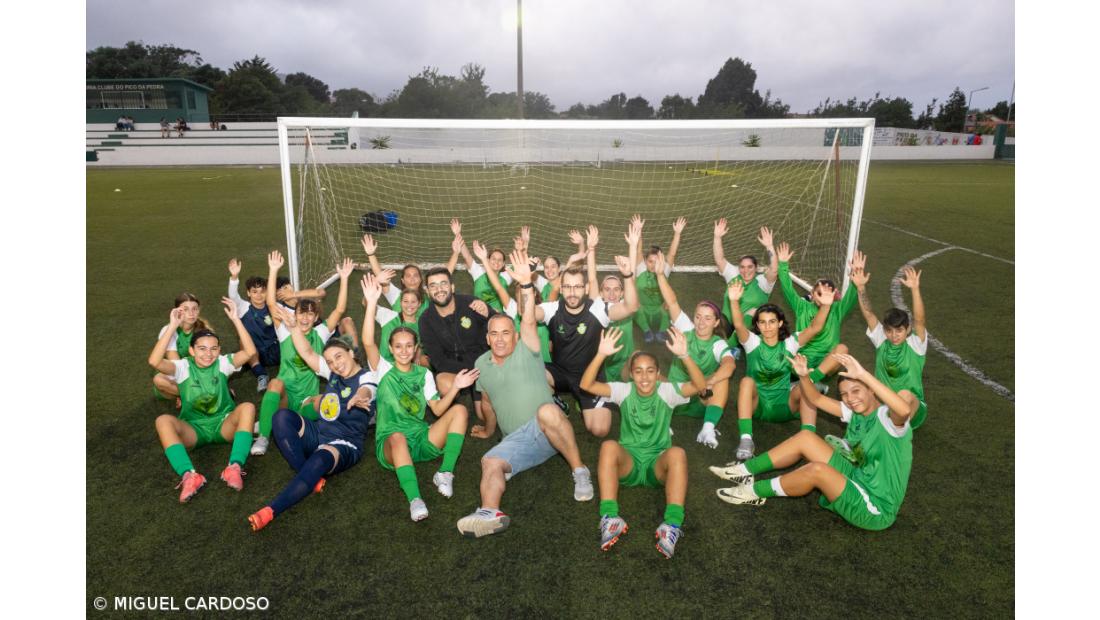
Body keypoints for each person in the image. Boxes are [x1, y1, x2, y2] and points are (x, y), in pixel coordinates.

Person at [456, 250, 594, 537]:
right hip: (516, 440)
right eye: (494, 334)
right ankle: (489, 514)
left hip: (546, 429)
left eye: (506, 333)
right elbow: (489, 403)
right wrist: (486, 428)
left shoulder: (527, 348)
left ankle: (580, 471)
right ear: (487, 337)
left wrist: (527, 284)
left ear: (515, 336)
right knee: (490, 462)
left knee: (547, 411)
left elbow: (528, 320)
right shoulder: (481, 364)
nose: (500, 339)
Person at [711, 353, 915, 532]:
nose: (850, 399)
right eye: (844, 394)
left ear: (871, 390)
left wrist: (863, 375)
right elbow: (816, 399)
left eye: (856, 391)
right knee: (806, 438)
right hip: (858, 477)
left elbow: (904, 410)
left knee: (817, 470)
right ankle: (744, 470)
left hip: (875, 508)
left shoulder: (888, 420)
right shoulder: (856, 412)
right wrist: (803, 376)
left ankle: (753, 491)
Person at [580, 326, 706, 558]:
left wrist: (684, 355)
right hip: (628, 463)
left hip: (658, 464)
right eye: (638, 371)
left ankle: (671, 525)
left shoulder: (667, 392)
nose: (644, 377)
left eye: (650, 371)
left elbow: (700, 386)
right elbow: (586, 385)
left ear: (658, 373)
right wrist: (600, 354)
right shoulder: (623, 390)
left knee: (677, 453)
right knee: (608, 446)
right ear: (631, 373)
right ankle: (610, 518)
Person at [248, 308, 378, 531]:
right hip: (319, 432)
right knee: (281, 417)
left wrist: (361, 395)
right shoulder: (333, 373)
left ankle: (271, 510)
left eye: (339, 357)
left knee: (319, 460)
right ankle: (309, 476)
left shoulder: (367, 376)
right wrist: (294, 328)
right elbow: (307, 353)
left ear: (350, 353)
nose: (336, 364)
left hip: (344, 444)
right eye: (330, 361)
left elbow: (368, 390)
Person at [363, 275, 474, 521]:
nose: (404, 351)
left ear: (415, 349)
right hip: (392, 444)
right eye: (398, 346)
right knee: (398, 436)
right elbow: (367, 342)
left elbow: (436, 409)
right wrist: (372, 303)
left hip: (421, 438)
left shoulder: (424, 374)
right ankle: (415, 499)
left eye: (408, 346)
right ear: (391, 349)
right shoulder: (383, 370)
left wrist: (455, 387)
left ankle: (445, 473)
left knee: (460, 411)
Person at [532, 222, 640, 437]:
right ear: (561, 289)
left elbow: (630, 306)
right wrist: (525, 283)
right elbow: (528, 315)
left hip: (591, 375)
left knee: (599, 430)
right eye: (568, 287)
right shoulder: (553, 308)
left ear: (586, 289)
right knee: (531, 370)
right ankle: (553, 398)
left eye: (578, 287)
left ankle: (588, 399)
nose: (572, 292)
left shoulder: (599, 309)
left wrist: (628, 275)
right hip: (561, 372)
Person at [148, 297, 258, 503]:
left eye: (213, 348)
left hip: (224, 425)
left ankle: (234, 467)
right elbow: (154, 361)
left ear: (219, 350)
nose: (208, 354)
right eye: (202, 348)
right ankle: (190, 475)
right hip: (194, 429)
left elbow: (250, 352)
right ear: (191, 350)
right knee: (163, 420)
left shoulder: (224, 363)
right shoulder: (182, 367)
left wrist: (236, 319)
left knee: (248, 407)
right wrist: (172, 326)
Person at [252, 251, 354, 456]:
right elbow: (271, 304)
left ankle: (336, 428)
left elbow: (339, 310)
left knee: (328, 400)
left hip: (307, 399)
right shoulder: (285, 332)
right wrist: (273, 271)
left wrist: (344, 278)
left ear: (316, 316)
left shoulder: (321, 333)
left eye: (310, 314)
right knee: (275, 383)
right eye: (302, 313)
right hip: (285, 398)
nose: (305, 319)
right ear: (295, 314)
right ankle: (263, 436)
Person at [727, 277, 833, 460]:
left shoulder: (790, 344)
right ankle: (746, 439)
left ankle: (808, 437)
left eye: (772, 321)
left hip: (786, 405)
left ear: (780, 323)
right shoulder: (752, 343)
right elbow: (737, 324)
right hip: (757, 406)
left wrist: (825, 306)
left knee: (807, 386)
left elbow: (815, 328)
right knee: (746, 382)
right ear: (758, 325)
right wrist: (734, 301)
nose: (767, 326)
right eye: (763, 322)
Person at [653, 251, 735, 449]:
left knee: (722, 380)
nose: (701, 322)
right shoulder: (686, 329)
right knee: (644, 370)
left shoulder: (717, 343)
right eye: (698, 316)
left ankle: (707, 428)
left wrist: (709, 382)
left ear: (716, 322)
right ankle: (661, 424)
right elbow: (672, 302)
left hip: (701, 399)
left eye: (707, 318)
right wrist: (660, 275)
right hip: (675, 394)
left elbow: (730, 365)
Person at [849, 253, 929, 429]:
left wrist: (915, 289)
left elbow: (920, 320)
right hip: (883, 406)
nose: (894, 335)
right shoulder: (881, 340)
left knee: (904, 394)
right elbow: (869, 314)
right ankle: (860, 435)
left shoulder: (915, 345)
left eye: (899, 330)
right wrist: (861, 287)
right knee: (853, 390)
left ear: (908, 329)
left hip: (911, 408)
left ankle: (881, 430)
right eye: (889, 331)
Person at [776, 241, 858, 388]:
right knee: (776, 355)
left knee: (842, 349)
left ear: (834, 296)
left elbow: (851, 297)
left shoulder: (837, 309)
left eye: (828, 293)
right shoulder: (802, 306)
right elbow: (787, 288)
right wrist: (783, 264)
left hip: (825, 363)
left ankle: (812, 379)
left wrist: (856, 280)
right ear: (812, 294)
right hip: (801, 358)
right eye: (820, 293)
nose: (824, 297)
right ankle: (808, 383)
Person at [416, 265, 493, 422]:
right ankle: (455, 407)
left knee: (483, 416)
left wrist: (488, 313)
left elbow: (501, 324)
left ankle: (480, 392)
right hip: (456, 371)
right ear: (427, 291)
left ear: (452, 286)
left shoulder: (471, 303)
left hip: (484, 365)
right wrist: (471, 373)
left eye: (443, 283)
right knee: (443, 382)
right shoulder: (425, 320)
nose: (439, 289)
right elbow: (438, 361)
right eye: (433, 286)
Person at [473, 240, 552, 364]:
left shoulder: (545, 311)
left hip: (545, 367)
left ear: (534, 293)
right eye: (518, 291)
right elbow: (498, 287)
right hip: (520, 365)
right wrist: (484, 260)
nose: (522, 293)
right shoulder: (513, 309)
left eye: (525, 290)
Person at [713, 221, 777, 337]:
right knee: (712, 316)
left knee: (752, 314)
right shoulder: (734, 275)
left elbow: (774, 270)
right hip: (727, 322)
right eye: (742, 267)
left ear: (756, 267)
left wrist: (769, 246)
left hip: (748, 326)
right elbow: (719, 259)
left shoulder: (763, 282)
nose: (745, 270)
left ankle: (736, 344)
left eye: (750, 267)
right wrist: (717, 237)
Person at [227, 258, 279, 392]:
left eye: (262, 291)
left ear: (268, 292)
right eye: (254, 292)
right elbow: (233, 295)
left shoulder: (273, 306)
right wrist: (234, 277)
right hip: (256, 352)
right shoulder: (243, 307)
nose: (259, 295)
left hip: (276, 349)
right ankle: (261, 375)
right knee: (243, 343)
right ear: (248, 293)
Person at [633, 216, 684, 343]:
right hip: (642, 308)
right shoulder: (640, 268)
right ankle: (646, 330)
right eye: (650, 261)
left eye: (657, 262)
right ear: (645, 261)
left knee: (669, 306)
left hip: (658, 309)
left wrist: (677, 233)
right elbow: (638, 250)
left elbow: (672, 253)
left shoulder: (664, 270)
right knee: (634, 307)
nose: (653, 265)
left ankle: (662, 331)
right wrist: (639, 230)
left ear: (661, 261)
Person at [152, 292, 210, 400]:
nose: (191, 313)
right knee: (159, 380)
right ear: (177, 311)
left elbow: (210, 359)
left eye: (194, 309)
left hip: (197, 369)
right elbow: (177, 364)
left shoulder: (204, 330)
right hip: (174, 370)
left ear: (199, 310)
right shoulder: (168, 330)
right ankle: (193, 394)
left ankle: (185, 396)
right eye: (186, 309)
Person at [361, 233, 430, 318]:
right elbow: (382, 276)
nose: (412, 279)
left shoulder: (429, 293)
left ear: (421, 279)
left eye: (415, 275)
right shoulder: (396, 295)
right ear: (403, 281)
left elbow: (444, 276)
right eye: (408, 276)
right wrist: (371, 255)